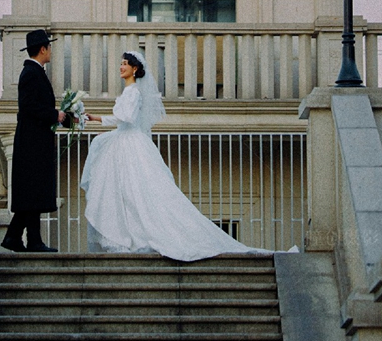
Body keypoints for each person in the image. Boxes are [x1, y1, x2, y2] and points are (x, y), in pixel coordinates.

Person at [81, 50, 272, 261]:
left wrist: (108, 120)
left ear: (135, 69)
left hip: (131, 144)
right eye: (121, 63)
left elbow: (127, 117)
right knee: (126, 192)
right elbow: (121, 120)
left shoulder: (134, 92)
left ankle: (141, 235)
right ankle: (129, 235)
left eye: (125, 64)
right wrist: (96, 118)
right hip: (124, 140)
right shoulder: (127, 93)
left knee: (139, 192)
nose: (121, 67)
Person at [1, 29, 67, 253]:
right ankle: (33, 241)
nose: (50, 50)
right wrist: (54, 114)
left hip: (34, 141)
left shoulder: (34, 72)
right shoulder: (31, 73)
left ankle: (14, 237)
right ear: (42, 49)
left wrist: (62, 116)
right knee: (34, 190)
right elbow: (28, 106)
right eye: (49, 47)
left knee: (32, 191)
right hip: (32, 143)